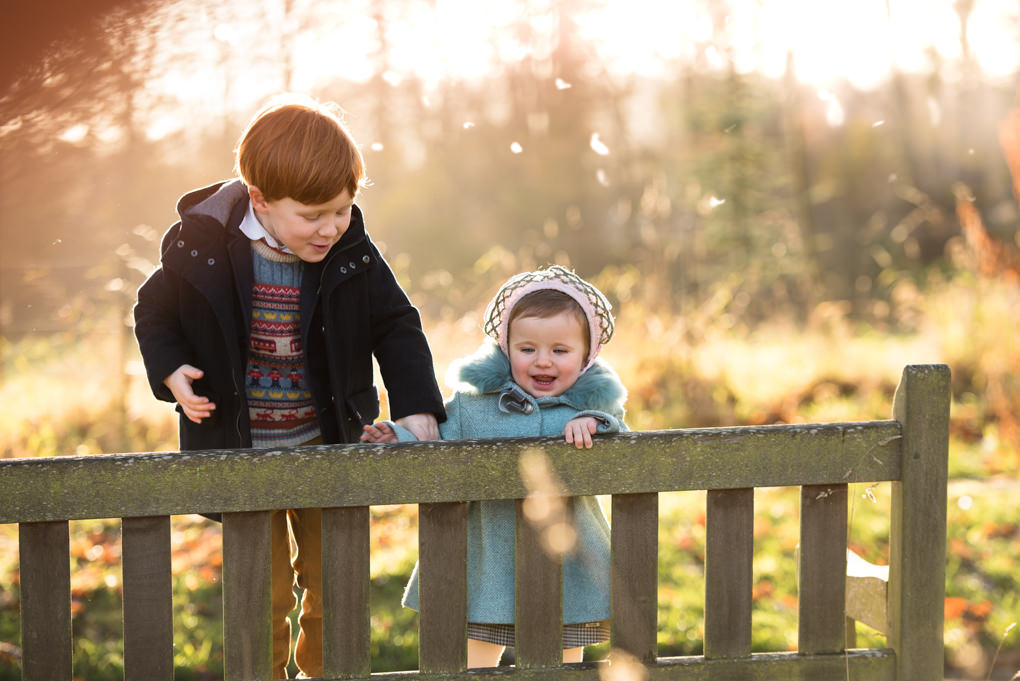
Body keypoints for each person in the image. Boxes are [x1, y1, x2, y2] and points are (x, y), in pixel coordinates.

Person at [134, 94, 445, 679]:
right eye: (313, 215)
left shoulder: (351, 252)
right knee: (263, 594)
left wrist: (417, 408)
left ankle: (326, 673)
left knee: (337, 584)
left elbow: (396, 324)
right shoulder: (204, 247)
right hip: (241, 453)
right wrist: (171, 370)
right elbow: (154, 313)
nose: (331, 227)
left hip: (329, 446)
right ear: (260, 200)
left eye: (343, 210)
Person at [361, 265, 627, 668]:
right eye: (527, 349)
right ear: (505, 347)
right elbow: (439, 438)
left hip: (568, 571)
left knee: (562, 666)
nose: (543, 362)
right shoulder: (476, 405)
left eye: (560, 350)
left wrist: (596, 423)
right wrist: (402, 437)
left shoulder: (588, 410)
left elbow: (625, 445)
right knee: (473, 665)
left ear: (587, 355)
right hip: (487, 570)